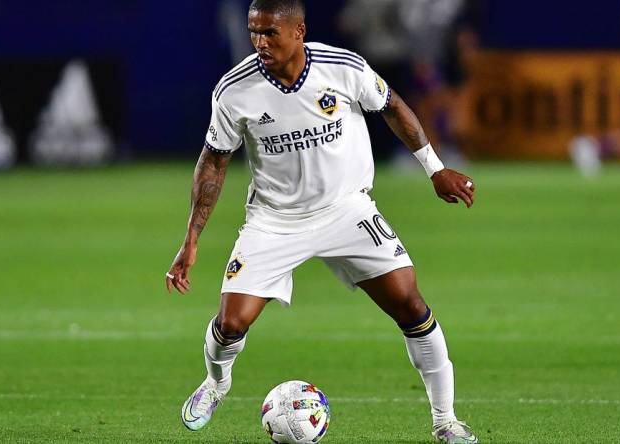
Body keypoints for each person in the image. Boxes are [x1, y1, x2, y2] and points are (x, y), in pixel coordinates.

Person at [166, 1, 478, 442]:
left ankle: (446, 421)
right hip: (274, 220)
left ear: (299, 31)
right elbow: (213, 163)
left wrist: (434, 167)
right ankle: (217, 383)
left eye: (270, 33)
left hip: (347, 210)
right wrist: (191, 239)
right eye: (254, 32)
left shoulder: (343, 67)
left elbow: (392, 106)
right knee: (231, 323)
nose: (260, 42)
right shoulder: (234, 90)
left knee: (410, 304)